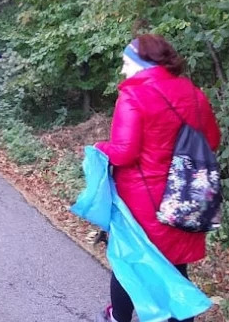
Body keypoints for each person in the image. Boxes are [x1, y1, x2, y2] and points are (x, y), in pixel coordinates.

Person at [95, 35, 221, 322]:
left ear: (142, 63)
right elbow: (211, 140)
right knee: (175, 264)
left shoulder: (134, 96)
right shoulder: (194, 94)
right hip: (188, 197)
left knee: (129, 262)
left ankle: (119, 317)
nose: (124, 71)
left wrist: (98, 148)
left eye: (127, 64)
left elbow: (124, 153)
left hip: (143, 201)